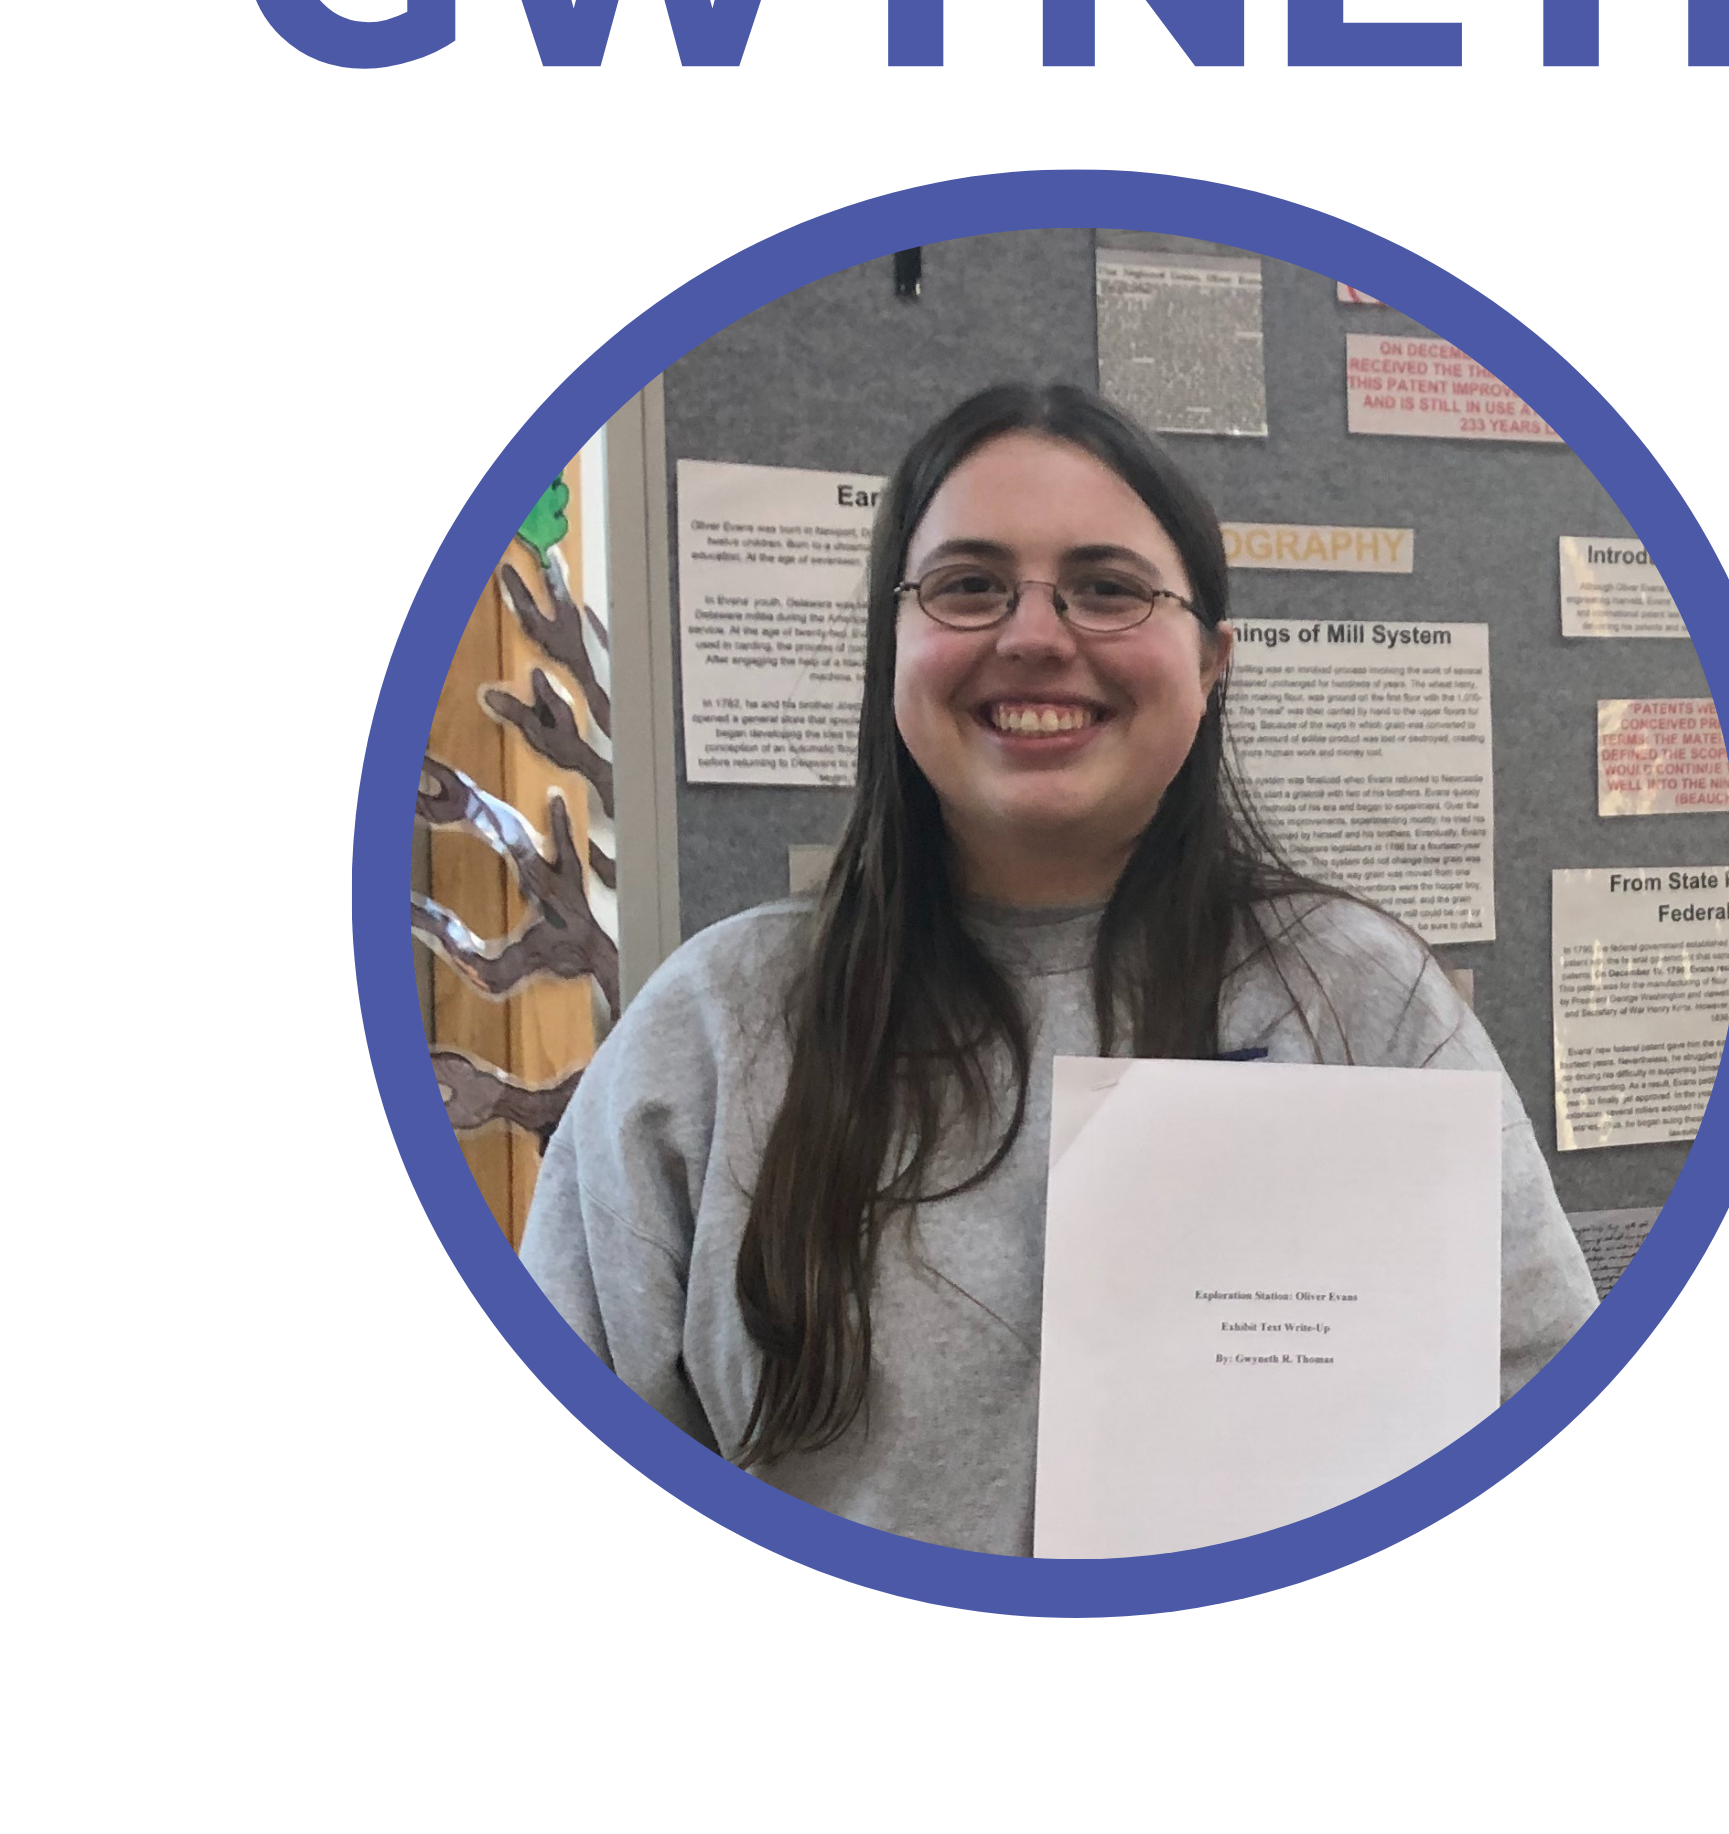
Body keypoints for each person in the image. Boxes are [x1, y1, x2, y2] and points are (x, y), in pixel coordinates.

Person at [521, 383, 1596, 1553]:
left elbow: (1540, 1454)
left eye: (1108, 588)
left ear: (1212, 661)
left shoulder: (1363, 1004)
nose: (1035, 634)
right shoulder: (714, 1032)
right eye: (970, 584)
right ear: (895, 647)